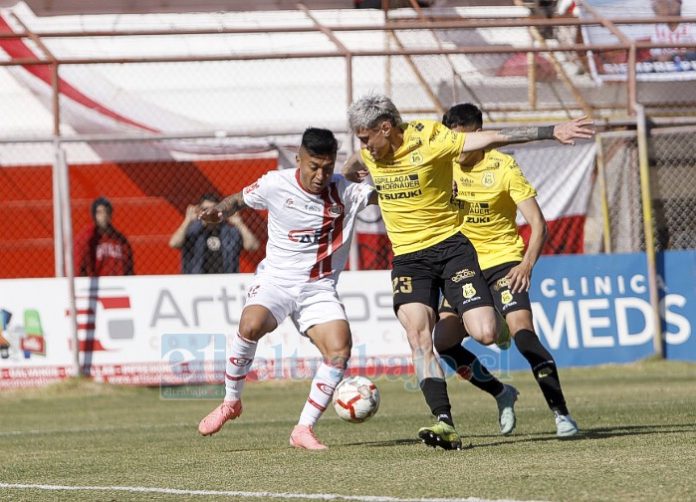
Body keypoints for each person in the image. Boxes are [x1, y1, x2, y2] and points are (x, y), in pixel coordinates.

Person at [343, 94, 593, 449]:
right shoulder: (369, 152)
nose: (363, 146)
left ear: (386, 127)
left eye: (366, 138)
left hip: (453, 251)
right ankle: (444, 422)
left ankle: (513, 346)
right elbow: (352, 163)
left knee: (487, 333)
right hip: (409, 260)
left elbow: (493, 137)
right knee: (422, 340)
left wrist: (551, 130)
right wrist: (350, 174)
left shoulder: (431, 139)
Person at [197, 128, 376, 450]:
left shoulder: (345, 191)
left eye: (327, 167)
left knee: (339, 349)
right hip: (276, 280)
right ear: (299, 160)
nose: (320, 175)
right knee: (250, 325)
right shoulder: (275, 184)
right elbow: (238, 200)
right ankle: (230, 403)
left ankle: (302, 429)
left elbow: (388, 195)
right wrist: (220, 212)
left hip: (317, 287)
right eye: (313, 167)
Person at [434, 103, 578, 438]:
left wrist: (526, 263)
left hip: (504, 263)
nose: (460, 150)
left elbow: (538, 224)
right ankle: (500, 392)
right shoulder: (442, 165)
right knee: (443, 341)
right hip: (461, 266)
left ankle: (561, 414)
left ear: (481, 136)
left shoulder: (503, 167)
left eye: (466, 141)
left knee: (524, 335)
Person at [169, 193, 260, 274]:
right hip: (196, 281)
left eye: (213, 209)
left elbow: (252, 246)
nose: (209, 212)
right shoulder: (193, 231)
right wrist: (187, 220)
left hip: (225, 281)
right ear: (200, 210)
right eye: (205, 209)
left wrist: (239, 223)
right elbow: (174, 243)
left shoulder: (229, 232)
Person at [74, 196, 134, 277]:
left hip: (118, 284)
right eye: (100, 212)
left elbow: (129, 268)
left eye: (107, 211)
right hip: (95, 285)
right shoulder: (86, 239)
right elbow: (78, 267)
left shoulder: (120, 241)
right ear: (94, 215)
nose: (104, 215)